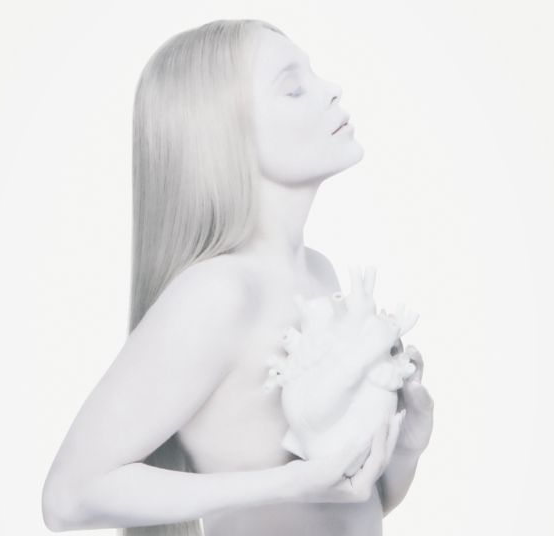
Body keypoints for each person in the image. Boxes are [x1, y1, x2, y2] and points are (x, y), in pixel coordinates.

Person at [41, 18, 434, 536]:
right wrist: (289, 482)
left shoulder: (317, 272)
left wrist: (406, 450)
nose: (331, 89)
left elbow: (347, 507)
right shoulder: (219, 293)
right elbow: (67, 498)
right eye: (293, 88)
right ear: (223, 135)